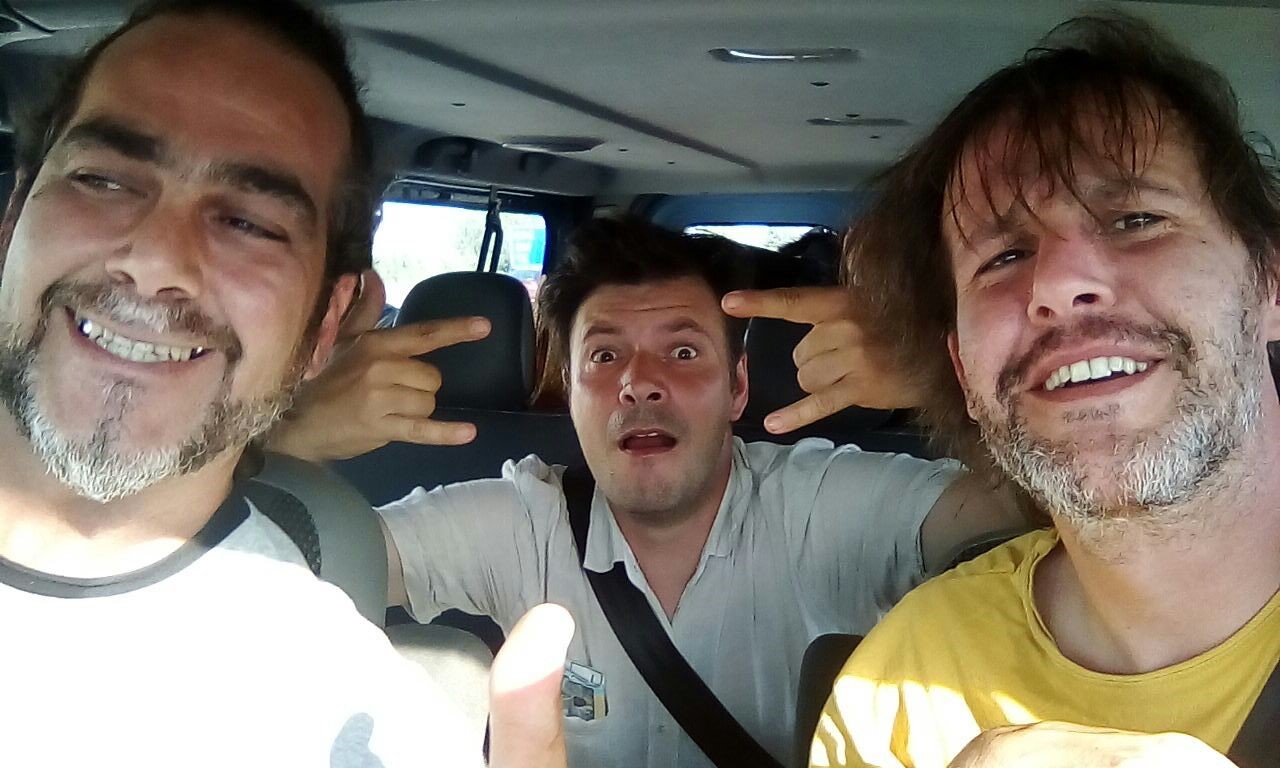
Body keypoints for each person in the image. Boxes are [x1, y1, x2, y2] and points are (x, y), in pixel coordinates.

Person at [0, 1, 569, 766]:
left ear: (325, 324)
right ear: (13, 215)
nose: (156, 261)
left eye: (250, 224)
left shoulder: (357, 714)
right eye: (102, 179)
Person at [273, 214, 1028, 768]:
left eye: (683, 351)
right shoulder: (522, 520)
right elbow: (278, 571)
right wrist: (291, 436)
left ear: (738, 387)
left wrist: (951, 385)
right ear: (567, 392)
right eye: (605, 356)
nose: (639, 383)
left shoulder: (823, 501)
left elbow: (1039, 525)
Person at [809, 13, 1280, 767]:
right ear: (963, 369)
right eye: (1003, 258)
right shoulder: (897, 692)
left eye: (1136, 219)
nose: (1058, 286)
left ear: (1269, 280)